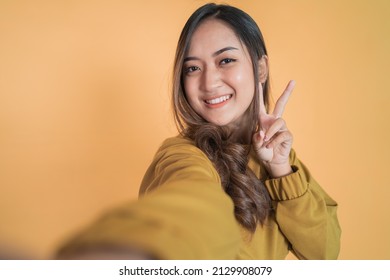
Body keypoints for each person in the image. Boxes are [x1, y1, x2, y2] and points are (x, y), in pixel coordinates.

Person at [56, 3, 341, 260]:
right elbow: (191, 205)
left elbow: (324, 252)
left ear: (261, 68)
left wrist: (280, 168)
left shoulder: (279, 156)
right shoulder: (182, 154)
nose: (209, 82)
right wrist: (130, 253)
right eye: (193, 67)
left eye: (225, 60)